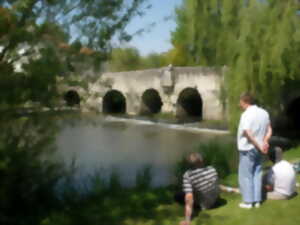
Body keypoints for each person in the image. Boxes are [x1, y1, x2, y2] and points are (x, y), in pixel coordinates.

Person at [237, 93, 272, 209]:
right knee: (257, 173)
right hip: (260, 148)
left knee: (246, 175)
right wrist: (265, 142)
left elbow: (247, 132)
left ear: (244, 101)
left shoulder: (246, 114)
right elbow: (269, 129)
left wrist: (257, 144)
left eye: (240, 102)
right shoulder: (264, 113)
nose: (239, 104)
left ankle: (248, 202)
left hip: (248, 148)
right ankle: (257, 201)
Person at [178, 152, 219, 225]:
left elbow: (189, 198)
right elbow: (216, 185)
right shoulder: (212, 169)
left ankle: (195, 209)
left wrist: (187, 220)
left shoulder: (188, 175)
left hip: (203, 205)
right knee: (190, 190)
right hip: (215, 202)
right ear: (202, 161)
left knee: (178, 195)